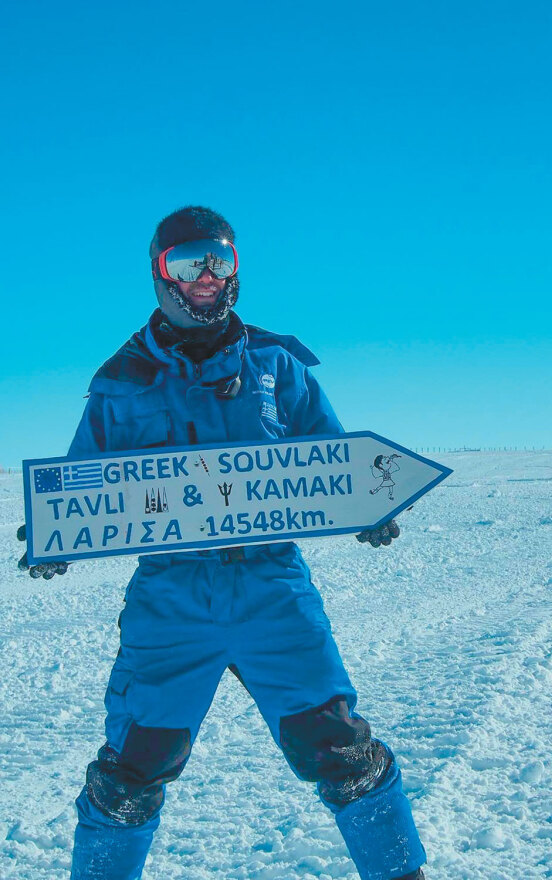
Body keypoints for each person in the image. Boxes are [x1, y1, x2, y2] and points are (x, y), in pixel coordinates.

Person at [17, 206, 426, 880]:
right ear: (160, 275)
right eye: (187, 262)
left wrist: (369, 503)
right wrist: (54, 532)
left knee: (344, 756)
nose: (205, 276)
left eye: (218, 259)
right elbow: (83, 485)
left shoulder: (276, 363)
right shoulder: (119, 382)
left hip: (273, 590)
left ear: (235, 269)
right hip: (170, 603)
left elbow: (332, 458)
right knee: (129, 778)